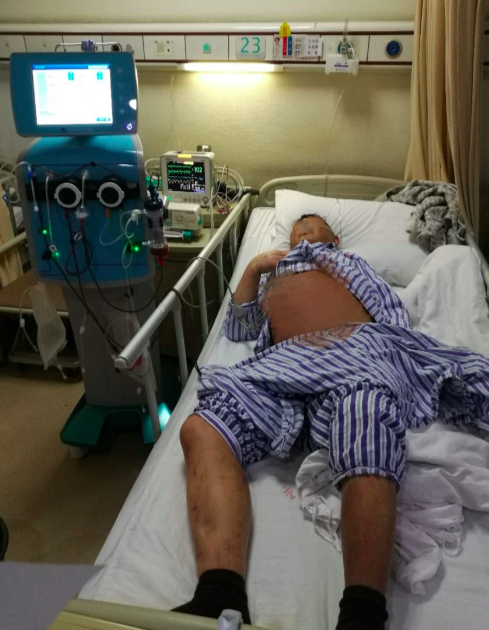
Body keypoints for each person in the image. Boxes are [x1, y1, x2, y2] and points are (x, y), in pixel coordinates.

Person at [175, 214, 489, 630]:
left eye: (313, 223)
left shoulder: (349, 262)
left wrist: (393, 354)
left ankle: (362, 616)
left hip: (354, 349)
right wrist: (254, 267)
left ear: (335, 238)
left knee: (366, 414)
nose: (303, 228)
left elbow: (391, 315)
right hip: (284, 365)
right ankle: (219, 597)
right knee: (203, 427)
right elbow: (239, 328)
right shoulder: (273, 276)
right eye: (297, 226)